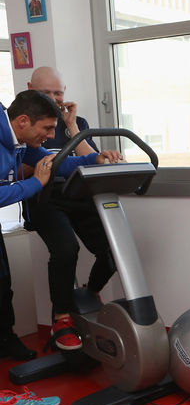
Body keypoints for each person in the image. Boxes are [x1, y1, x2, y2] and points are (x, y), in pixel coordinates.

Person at [1, 92, 117, 359]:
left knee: (3, 284)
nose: (52, 136)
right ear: (23, 121)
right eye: (47, 128)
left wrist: (95, 159)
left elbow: (56, 162)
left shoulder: (19, 141)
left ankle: (5, 340)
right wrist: (35, 183)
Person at [24, 68, 123, 352]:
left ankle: (90, 294)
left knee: (113, 249)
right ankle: (61, 318)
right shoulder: (27, 124)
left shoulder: (76, 122)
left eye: (58, 93)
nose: (53, 98)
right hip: (46, 199)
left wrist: (72, 127)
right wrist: (48, 165)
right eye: (45, 93)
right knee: (66, 249)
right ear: (30, 89)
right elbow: (21, 168)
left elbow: (92, 160)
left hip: (79, 195)